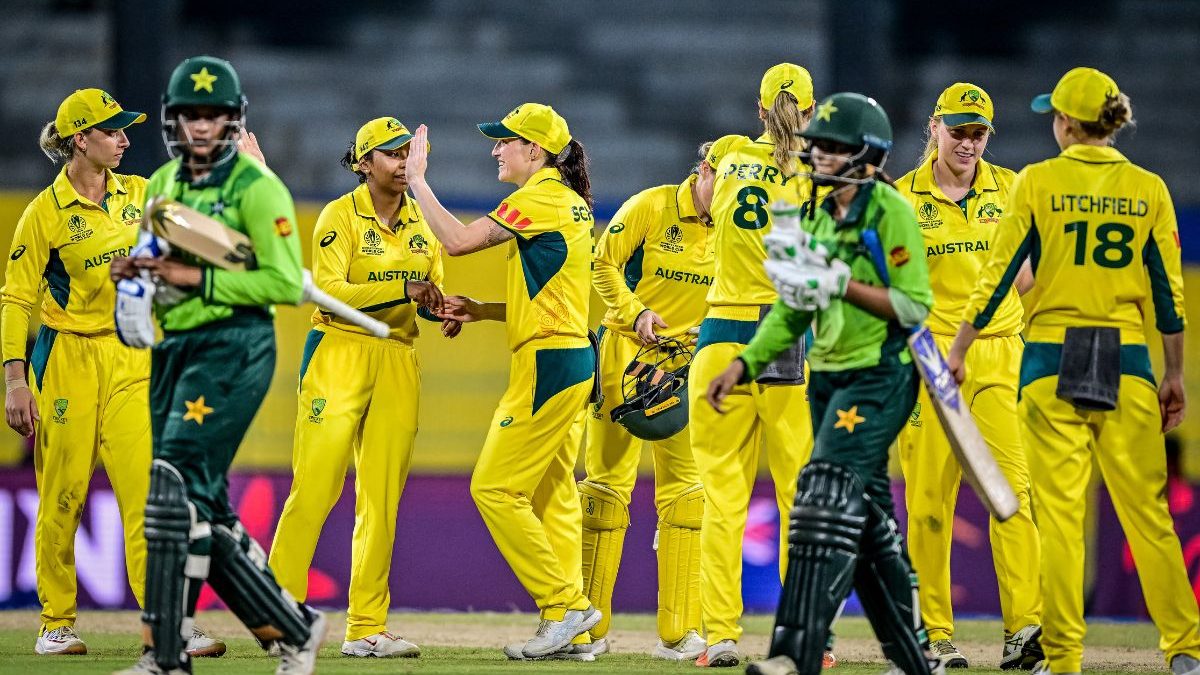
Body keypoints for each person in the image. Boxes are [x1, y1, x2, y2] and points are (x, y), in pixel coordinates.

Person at [948, 67, 1200, 675]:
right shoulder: (1148, 189)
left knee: (1060, 519)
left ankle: (1063, 660)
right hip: (1126, 359)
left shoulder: (1037, 181)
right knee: (1148, 514)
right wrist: (1174, 374)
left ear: (1065, 122)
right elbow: (1168, 296)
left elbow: (997, 276)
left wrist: (958, 350)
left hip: (1050, 358)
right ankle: (1186, 650)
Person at [109, 55, 325, 675]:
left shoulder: (259, 189)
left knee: (171, 489)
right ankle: (295, 628)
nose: (201, 126)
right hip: (174, 348)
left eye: (213, 115)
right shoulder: (162, 184)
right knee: (200, 505)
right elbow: (156, 265)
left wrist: (196, 279)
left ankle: (165, 656)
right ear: (173, 120)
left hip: (234, 345)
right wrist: (139, 278)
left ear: (233, 121)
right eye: (190, 115)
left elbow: (282, 283)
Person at [710, 92, 938, 675]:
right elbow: (793, 310)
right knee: (871, 522)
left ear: (868, 156)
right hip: (827, 378)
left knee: (821, 494)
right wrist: (744, 364)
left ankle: (795, 652)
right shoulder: (814, 215)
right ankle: (915, 655)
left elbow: (914, 305)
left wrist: (843, 285)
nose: (819, 157)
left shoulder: (890, 211)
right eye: (818, 147)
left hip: (880, 375)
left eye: (835, 149)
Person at [0, 88, 224, 659]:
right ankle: (55, 623)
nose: (124, 139)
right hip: (67, 361)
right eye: (112, 130)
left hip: (130, 359)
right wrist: (15, 380)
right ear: (81, 139)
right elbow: (16, 300)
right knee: (63, 494)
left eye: (124, 129)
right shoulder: (43, 214)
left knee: (148, 495)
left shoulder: (141, 193)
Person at [403, 104, 600, 661]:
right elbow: (554, 298)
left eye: (504, 141)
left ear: (534, 151)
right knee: (554, 498)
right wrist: (484, 310)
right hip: (567, 357)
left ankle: (565, 606)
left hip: (548, 366)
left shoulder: (541, 197)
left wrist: (418, 181)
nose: (496, 150)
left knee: (493, 488)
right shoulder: (568, 200)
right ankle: (574, 632)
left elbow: (457, 242)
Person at [269, 117, 456, 658]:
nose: (402, 162)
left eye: (406, 153)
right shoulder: (339, 215)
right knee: (316, 487)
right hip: (339, 350)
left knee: (381, 499)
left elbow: (429, 286)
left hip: (398, 356)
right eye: (391, 154)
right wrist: (403, 288)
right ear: (363, 163)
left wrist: (441, 308)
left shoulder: (422, 221)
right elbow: (328, 290)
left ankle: (366, 628)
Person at [894, 83, 1043, 670]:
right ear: (934, 127)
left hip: (1000, 355)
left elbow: (1026, 277)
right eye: (958, 131)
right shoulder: (901, 199)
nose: (969, 143)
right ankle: (935, 635)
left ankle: (1024, 631)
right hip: (929, 360)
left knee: (1013, 494)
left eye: (979, 133)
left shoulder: (1012, 189)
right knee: (930, 502)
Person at [685, 63, 817, 668]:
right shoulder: (820, 170)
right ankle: (805, 635)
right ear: (810, 112)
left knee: (721, 499)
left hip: (722, 333)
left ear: (759, 110)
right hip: (787, 335)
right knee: (799, 500)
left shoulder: (731, 152)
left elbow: (703, 205)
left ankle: (719, 636)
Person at [578, 139, 726, 661]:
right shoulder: (652, 205)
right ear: (704, 169)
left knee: (687, 496)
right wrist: (636, 312)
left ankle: (679, 633)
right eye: (724, 179)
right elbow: (602, 263)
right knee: (604, 489)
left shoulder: (737, 224)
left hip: (687, 366)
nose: (731, 192)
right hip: (625, 354)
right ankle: (586, 630)